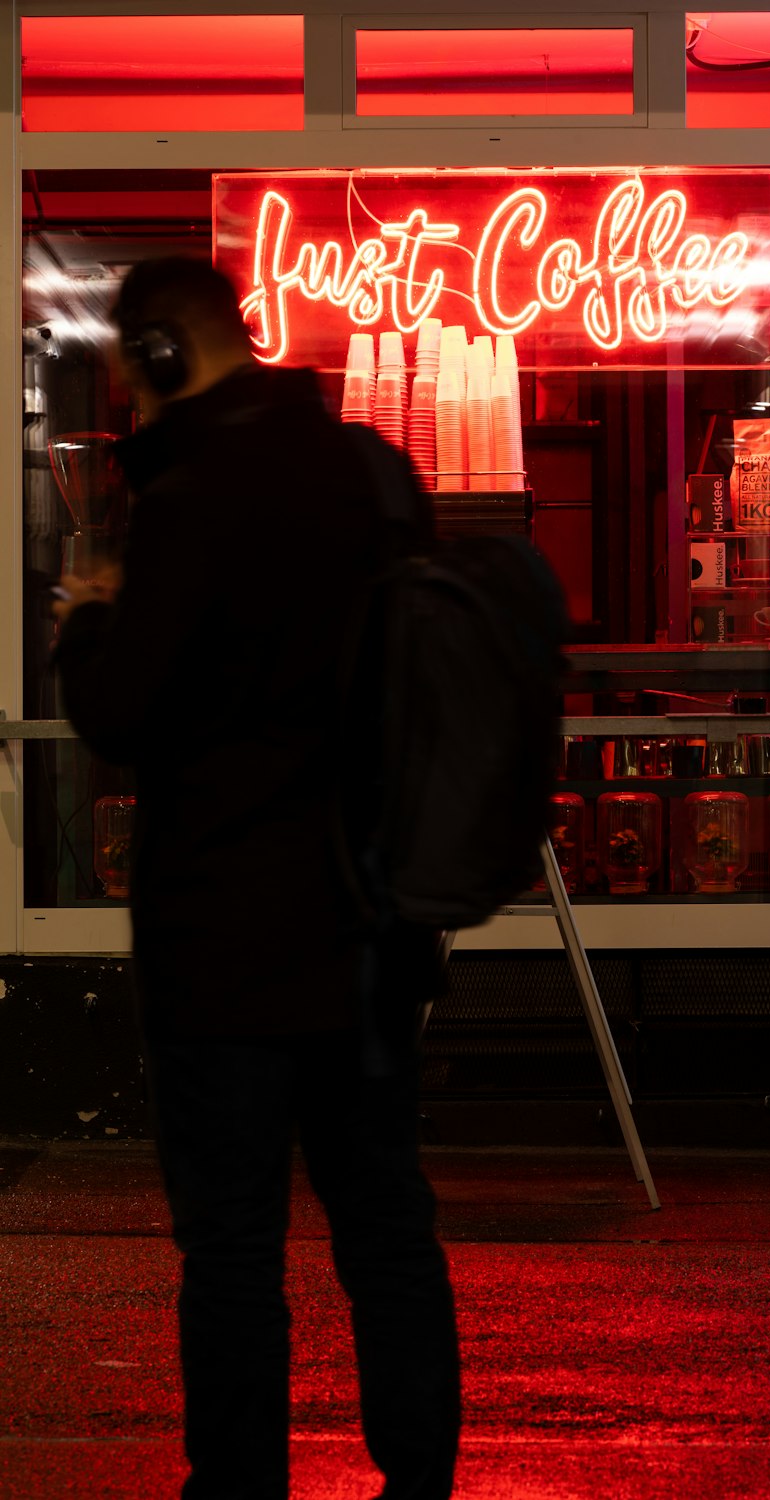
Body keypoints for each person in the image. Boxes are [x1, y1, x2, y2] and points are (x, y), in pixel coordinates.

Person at [52, 256, 461, 1500]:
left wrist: (86, 613)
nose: (126, 398)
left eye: (129, 370)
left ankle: (237, 1488)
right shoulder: (370, 475)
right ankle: (420, 1475)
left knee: (232, 1248)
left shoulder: (190, 502)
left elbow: (122, 714)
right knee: (384, 1222)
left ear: (164, 358)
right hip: (370, 924)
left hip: (224, 938)